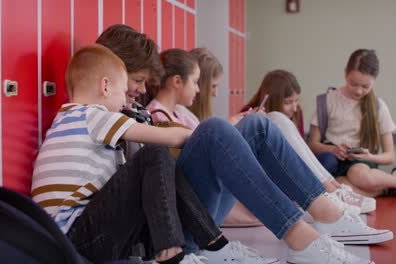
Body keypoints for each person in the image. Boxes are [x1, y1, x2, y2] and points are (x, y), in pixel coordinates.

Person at [31, 44, 281, 264]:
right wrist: (213, 141)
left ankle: (211, 242)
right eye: (122, 92)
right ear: (105, 86)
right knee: (155, 154)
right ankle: (174, 251)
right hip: (79, 241)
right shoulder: (91, 116)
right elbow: (169, 138)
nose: (125, 103)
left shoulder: (65, 120)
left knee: (153, 164)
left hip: (72, 238)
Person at [145, 48, 392, 263]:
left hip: (204, 210)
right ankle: (300, 235)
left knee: (258, 124)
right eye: (196, 82)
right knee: (214, 129)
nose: (200, 90)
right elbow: (163, 175)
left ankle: (325, 210)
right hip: (187, 225)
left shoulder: (181, 113)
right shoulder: (153, 115)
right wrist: (219, 132)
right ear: (177, 81)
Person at [241, 69, 375, 213]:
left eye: (296, 100)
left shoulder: (295, 113)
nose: (294, 107)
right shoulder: (248, 117)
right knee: (276, 117)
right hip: (266, 172)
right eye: (288, 102)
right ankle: (329, 189)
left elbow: (299, 149)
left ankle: (332, 187)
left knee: (280, 120)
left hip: (288, 170)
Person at [307, 49, 396, 197]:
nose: (359, 91)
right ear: (345, 74)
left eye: (366, 86)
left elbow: (389, 157)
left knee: (359, 175)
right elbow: (311, 145)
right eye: (353, 83)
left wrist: (369, 157)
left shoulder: (378, 106)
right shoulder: (327, 101)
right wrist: (333, 150)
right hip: (333, 161)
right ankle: (384, 189)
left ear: (374, 81)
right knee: (339, 187)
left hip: (362, 164)